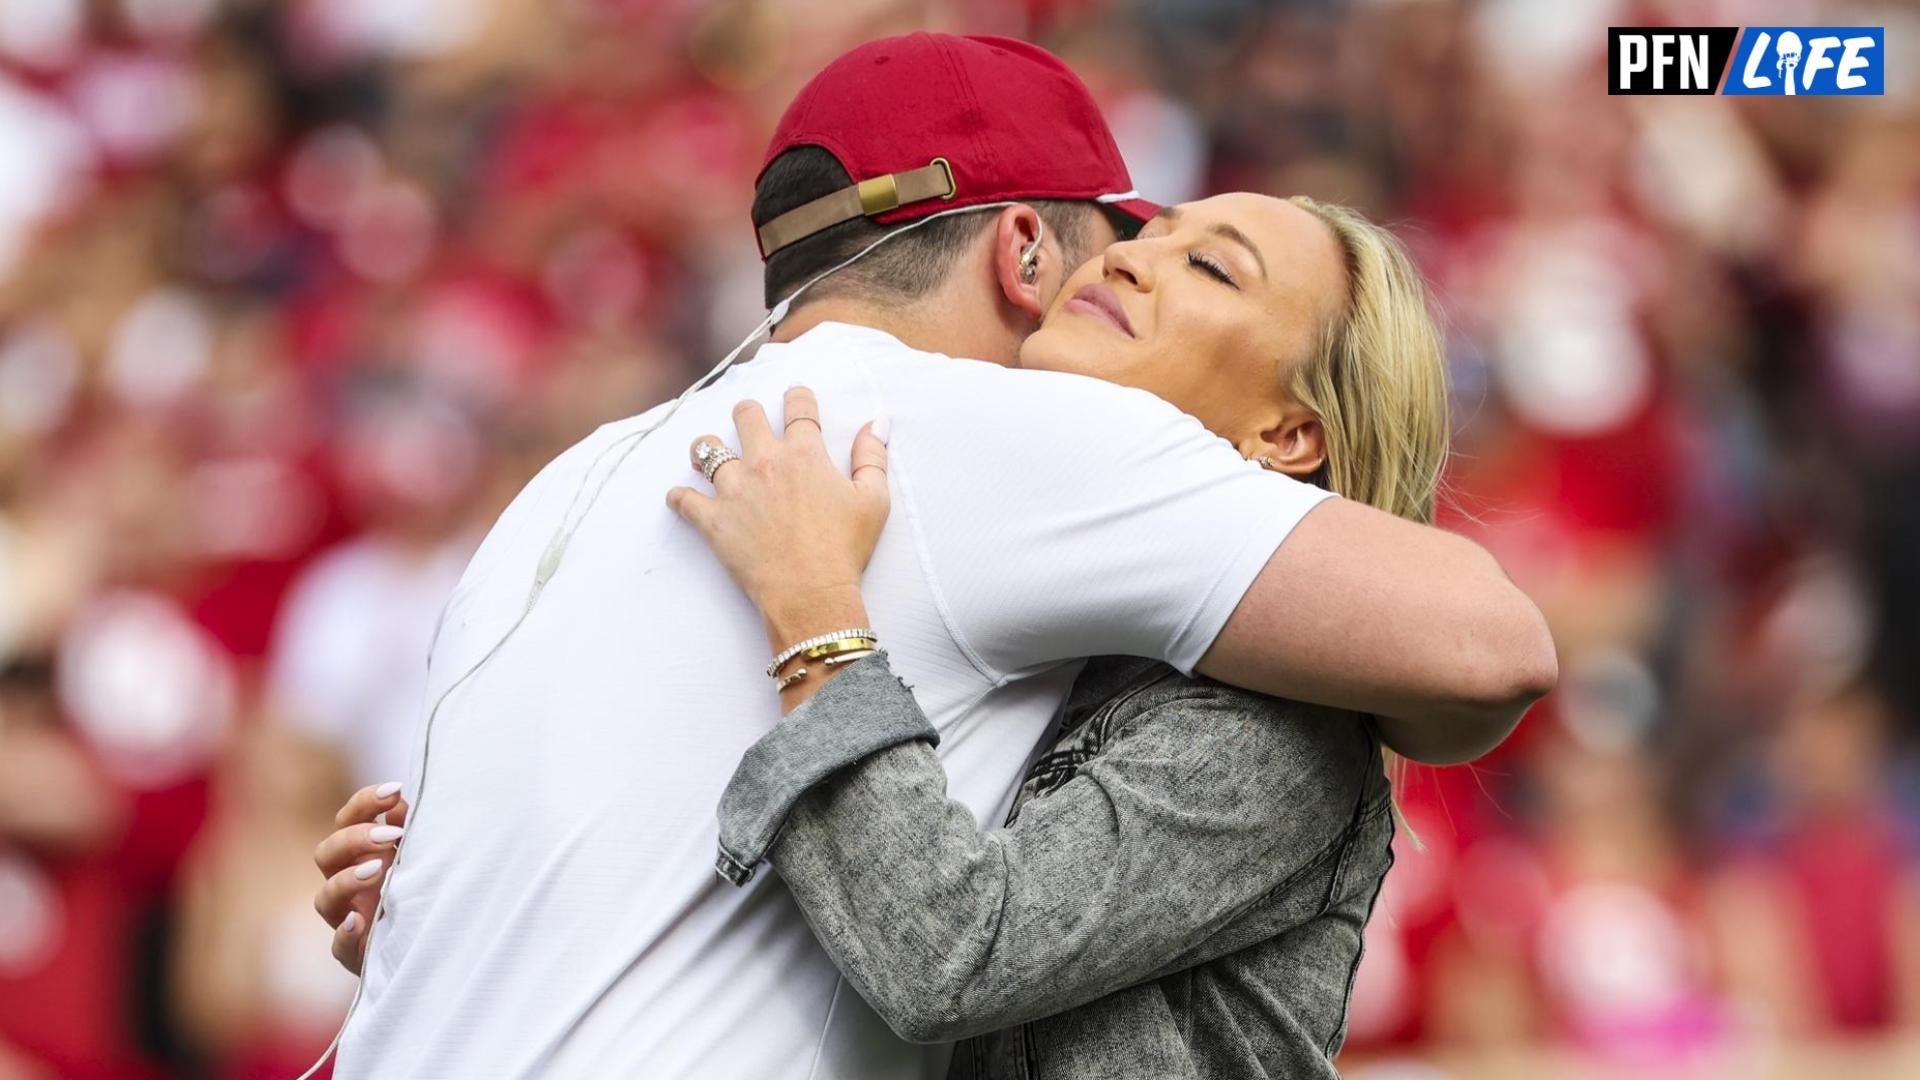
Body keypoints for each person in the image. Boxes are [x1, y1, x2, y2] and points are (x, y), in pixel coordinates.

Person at [321, 34, 1553, 1079]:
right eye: (1136, 232)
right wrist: (460, 903)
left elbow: (945, 948)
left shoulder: (577, 475)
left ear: (1292, 431)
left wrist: (819, 625)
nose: (1129, 258)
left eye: (1207, 266)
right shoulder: (1005, 480)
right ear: (1025, 254)